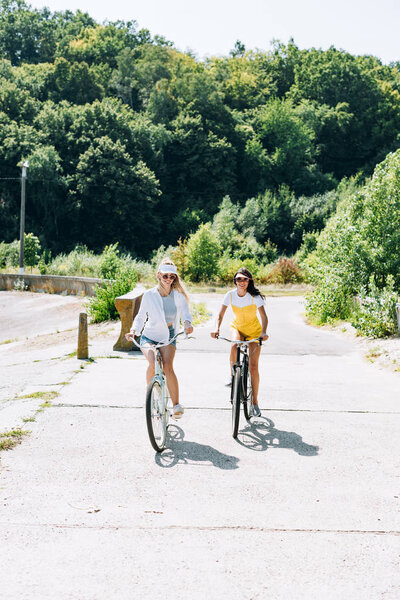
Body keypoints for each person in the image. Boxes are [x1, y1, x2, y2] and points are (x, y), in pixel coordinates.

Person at [125, 258, 193, 418]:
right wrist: (134, 330)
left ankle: (176, 405)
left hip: (169, 336)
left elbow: (185, 313)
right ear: (158, 275)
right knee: (153, 361)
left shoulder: (178, 296)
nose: (169, 279)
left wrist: (188, 324)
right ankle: (151, 396)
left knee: (167, 366)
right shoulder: (149, 295)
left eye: (172, 277)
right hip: (149, 335)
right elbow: (141, 316)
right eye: (165, 276)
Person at [211, 267, 268, 417]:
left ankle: (255, 402)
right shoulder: (230, 295)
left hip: (254, 332)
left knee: (254, 367)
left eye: (244, 279)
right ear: (235, 281)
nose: (241, 282)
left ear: (249, 281)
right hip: (238, 328)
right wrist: (216, 328)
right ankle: (232, 376)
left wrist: (263, 332)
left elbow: (264, 317)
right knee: (234, 345)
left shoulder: (255, 297)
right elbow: (220, 314)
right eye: (238, 279)